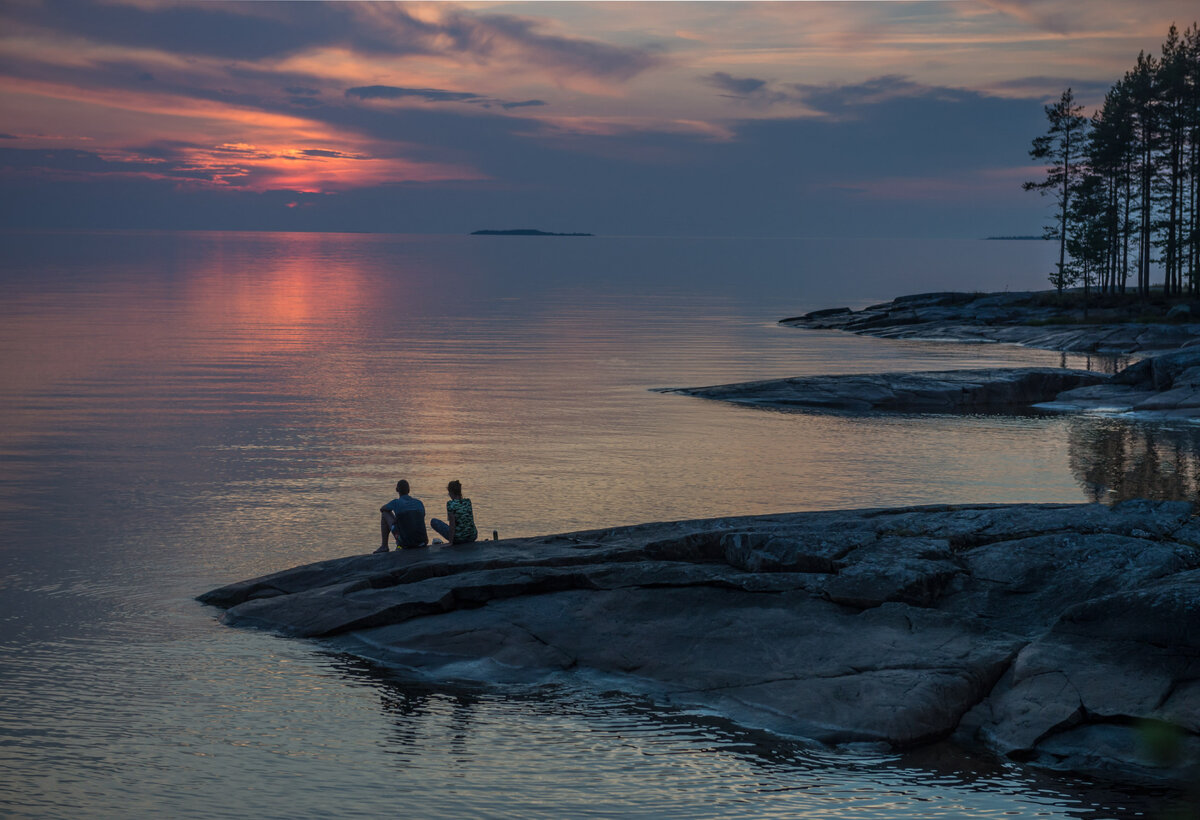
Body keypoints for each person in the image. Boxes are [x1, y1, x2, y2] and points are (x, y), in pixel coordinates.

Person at [376, 479, 427, 553]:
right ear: (409, 490)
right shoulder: (419, 503)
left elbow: (382, 509)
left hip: (405, 544)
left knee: (385, 513)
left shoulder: (396, 503)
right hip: (422, 542)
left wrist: (396, 519)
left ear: (397, 490)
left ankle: (384, 546)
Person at [430, 480, 478, 546]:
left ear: (451, 492)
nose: (448, 494)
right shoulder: (468, 502)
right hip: (472, 536)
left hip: (459, 539)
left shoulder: (451, 504)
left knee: (434, 521)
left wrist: (451, 542)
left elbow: (452, 524)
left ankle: (457, 538)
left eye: (449, 492)